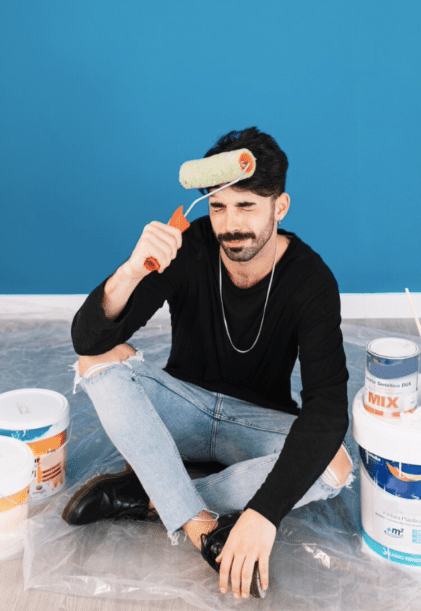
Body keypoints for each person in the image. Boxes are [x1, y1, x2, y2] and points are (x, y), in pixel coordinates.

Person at [66, 127, 351, 600]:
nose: (230, 224)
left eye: (247, 207)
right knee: (96, 360)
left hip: (254, 421)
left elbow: (327, 409)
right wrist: (133, 268)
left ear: (279, 207)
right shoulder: (190, 246)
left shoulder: (311, 280)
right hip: (184, 407)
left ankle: (149, 497)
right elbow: (89, 338)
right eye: (218, 207)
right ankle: (198, 524)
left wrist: (263, 515)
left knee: (336, 464)